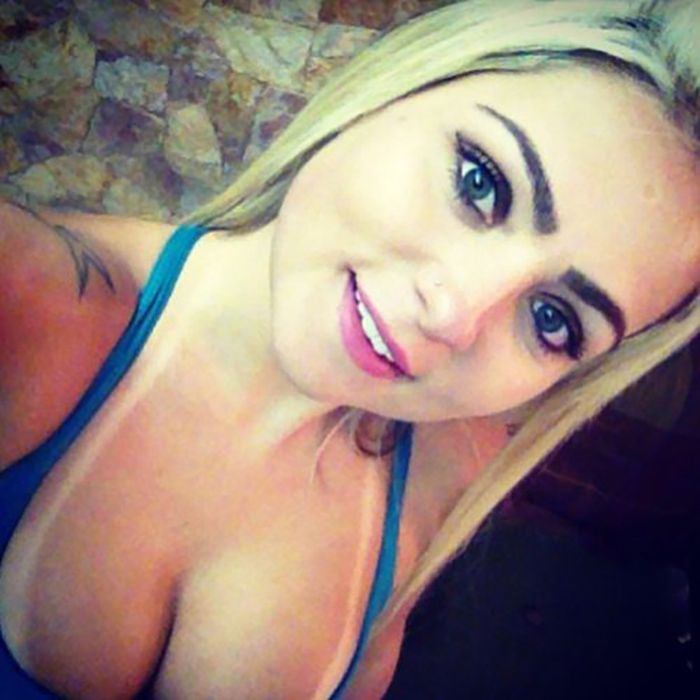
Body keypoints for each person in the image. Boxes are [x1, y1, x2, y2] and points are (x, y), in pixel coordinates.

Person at [0, 0, 699, 697]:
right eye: (479, 182)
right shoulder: (29, 304)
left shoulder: (456, 462)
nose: (455, 316)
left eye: (552, 319)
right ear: (395, 85)